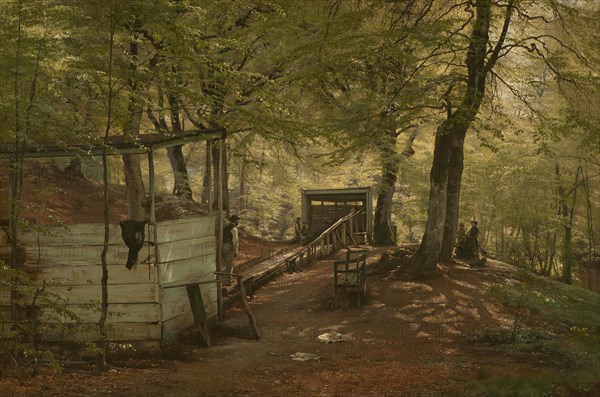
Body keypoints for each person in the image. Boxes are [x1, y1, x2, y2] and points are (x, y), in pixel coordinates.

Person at [222, 214, 239, 285]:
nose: (238, 221)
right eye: (237, 220)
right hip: (229, 246)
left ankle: (229, 279)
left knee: (228, 264)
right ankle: (227, 281)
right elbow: (235, 241)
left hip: (223, 246)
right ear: (235, 221)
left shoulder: (225, 228)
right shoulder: (234, 229)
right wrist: (236, 250)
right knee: (229, 265)